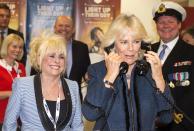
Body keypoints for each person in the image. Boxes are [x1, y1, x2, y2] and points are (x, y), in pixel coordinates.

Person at [82, 14, 173, 131]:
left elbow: (167, 118)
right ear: (112, 45)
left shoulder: (149, 71)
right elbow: (90, 114)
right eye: (124, 42)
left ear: (143, 44)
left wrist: (159, 78)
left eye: (136, 41)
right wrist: (109, 77)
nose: (131, 48)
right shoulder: (98, 70)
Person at [3, 33, 83, 130]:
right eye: (52, 56)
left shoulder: (73, 86)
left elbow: (77, 125)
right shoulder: (22, 85)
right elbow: (9, 124)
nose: (57, 61)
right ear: (39, 59)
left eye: (61, 57)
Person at [151, 1, 194, 131]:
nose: (165, 26)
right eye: (161, 22)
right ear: (156, 25)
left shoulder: (191, 52)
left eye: (170, 21)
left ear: (179, 25)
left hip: (179, 123)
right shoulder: (146, 51)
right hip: (148, 122)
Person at [31, 16, 90, 101]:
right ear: (54, 28)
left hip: (74, 98)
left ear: (73, 29)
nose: (64, 28)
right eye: (60, 25)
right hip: (45, 97)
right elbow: (35, 72)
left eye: (67, 26)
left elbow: (87, 73)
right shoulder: (44, 45)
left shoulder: (82, 48)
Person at [0, 34, 26, 130]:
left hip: (18, 118)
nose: (18, 50)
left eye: (20, 47)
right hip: (2, 117)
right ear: (6, 46)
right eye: (14, 46)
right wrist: (11, 93)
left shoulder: (21, 67)